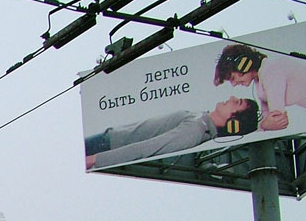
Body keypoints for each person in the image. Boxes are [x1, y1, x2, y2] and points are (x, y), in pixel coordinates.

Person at [85, 96, 259, 169]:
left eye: (238, 103)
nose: (232, 98)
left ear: (233, 123)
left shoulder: (195, 130)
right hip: (108, 139)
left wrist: (96, 159)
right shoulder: (201, 120)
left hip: (106, 146)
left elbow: (147, 149)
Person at [214, 43, 306, 131]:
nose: (233, 84)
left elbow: (278, 118)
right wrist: (263, 125)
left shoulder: (271, 71)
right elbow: (266, 117)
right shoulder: (260, 80)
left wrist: (263, 125)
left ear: (243, 64)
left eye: (233, 78)